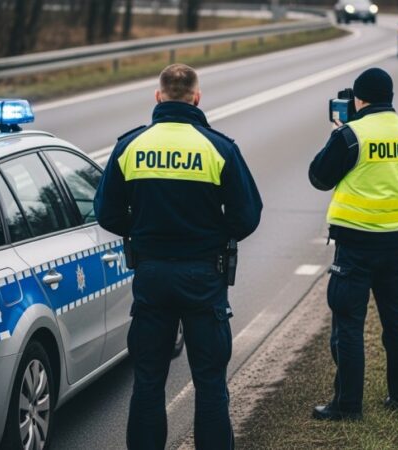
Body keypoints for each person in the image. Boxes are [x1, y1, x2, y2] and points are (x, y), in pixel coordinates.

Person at [94, 63, 262, 449]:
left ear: (158, 96)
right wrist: (213, 234)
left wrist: (140, 229)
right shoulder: (220, 148)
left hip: (151, 277)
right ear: (196, 98)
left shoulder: (130, 147)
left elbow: (107, 213)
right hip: (204, 277)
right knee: (210, 382)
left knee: (149, 382)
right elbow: (247, 216)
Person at [309, 67, 398, 421]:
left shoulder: (350, 135)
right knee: (396, 321)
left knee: (348, 324)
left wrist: (337, 135)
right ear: (390, 97)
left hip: (356, 245)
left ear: (358, 100)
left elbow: (319, 177)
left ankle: (347, 405)